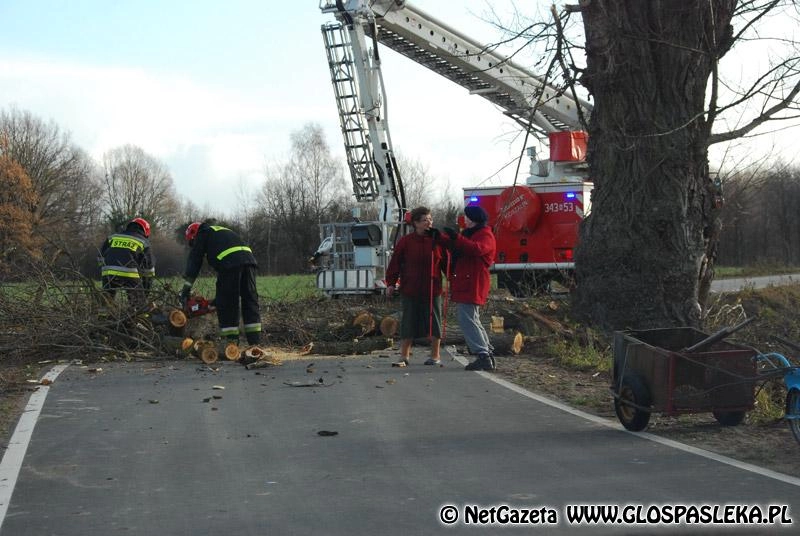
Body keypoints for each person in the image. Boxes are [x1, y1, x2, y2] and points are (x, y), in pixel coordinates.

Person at [180, 221, 262, 347]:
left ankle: (231, 343)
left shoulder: (202, 234)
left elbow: (195, 261)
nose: (193, 245)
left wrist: (186, 289)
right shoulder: (220, 231)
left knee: (228, 302)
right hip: (249, 261)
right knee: (250, 300)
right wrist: (213, 303)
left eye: (192, 242)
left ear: (193, 235)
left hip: (230, 264)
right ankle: (255, 344)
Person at [385, 206, 447, 366]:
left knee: (434, 322)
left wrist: (453, 279)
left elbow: (447, 263)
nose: (429, 222)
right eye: (425, 220)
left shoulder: (438, 240)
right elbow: (395, 263)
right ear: (416, 223)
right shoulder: (406, 242)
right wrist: (391, 283)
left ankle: (435, 355)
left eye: (430, 219)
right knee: (408, 321)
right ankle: (404, 355)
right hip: (410, 288)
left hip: (432, 288)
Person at [442, 205, 497, 371]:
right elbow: (459, 246)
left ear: (473, 219)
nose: (464, 220)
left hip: (473, 282)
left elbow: (475, 249)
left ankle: (483, 355)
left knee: (467, 319)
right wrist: (441, 237)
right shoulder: (470, 234)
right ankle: (486, 352)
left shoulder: (485, 235)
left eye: (466, 217)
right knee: (473, 318)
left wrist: (455, 238)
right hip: (468, 282)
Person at [97, 217, 155, 310]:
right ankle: (140, 320)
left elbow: (100, 257)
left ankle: (103, 319)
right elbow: (148, 271)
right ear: (145, 232)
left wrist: (104, 270)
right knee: (138, 304)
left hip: (108, 272)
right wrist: (144, 291)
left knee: (106, 300)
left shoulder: (113, 237)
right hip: (129, 273)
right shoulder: (143, 242)